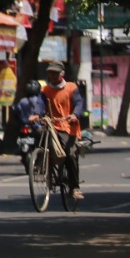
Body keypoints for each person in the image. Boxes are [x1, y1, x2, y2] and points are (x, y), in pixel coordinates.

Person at [38, 62, 86, 200]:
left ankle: (74, 188)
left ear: (62, 74)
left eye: (55, 73)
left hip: (68, 127)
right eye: (50, 73)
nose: (52, 75)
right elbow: (40, 104)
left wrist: (75, 115)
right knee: (38, 135)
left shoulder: (71, 87)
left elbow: (78, 103)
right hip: (52, 125)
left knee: (70, 155)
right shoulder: (45, 90)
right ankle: (40, 163)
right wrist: (37, 113)